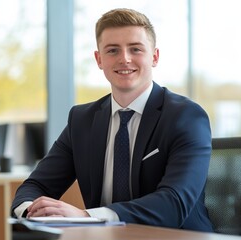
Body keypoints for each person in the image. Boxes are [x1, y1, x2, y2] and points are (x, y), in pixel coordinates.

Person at [11, 8, 213, 232]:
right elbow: (35, 186)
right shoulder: (82, 120)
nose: (124, 59)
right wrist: (33, 212)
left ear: (154, 56)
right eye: (112, 50)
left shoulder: (186, 117)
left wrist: (87, 216)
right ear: (99, 59)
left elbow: (174, 203)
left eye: (135, 49)